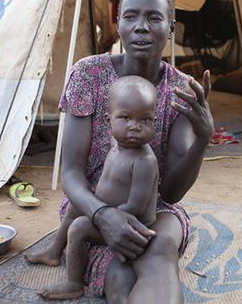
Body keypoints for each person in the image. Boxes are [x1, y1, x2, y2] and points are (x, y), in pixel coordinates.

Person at [25, 0, 214, 303]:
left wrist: (203, 140)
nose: (141, 27)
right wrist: (103, 214)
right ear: (119, 25)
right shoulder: (88, 75)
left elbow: (170, 192)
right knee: (118, 272)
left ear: (171, 28)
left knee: (160, 248)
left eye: (154, 18)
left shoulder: (182, 89)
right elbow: (71, 171)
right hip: (88, 204)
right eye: (130, 17)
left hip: (152, 205)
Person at [36, 76, 161, 299]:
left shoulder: (144, 161)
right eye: (125, 118)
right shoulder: (117, 145)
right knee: (76, 204)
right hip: (109, 208)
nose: (134, 127)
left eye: (145, 120)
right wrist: (97, 206)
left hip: (132, 224)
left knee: (79, 227)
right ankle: (54, 251)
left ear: (155, 122)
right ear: (108, 120)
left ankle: (73, 283)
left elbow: (136, 207)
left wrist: (98, 217)